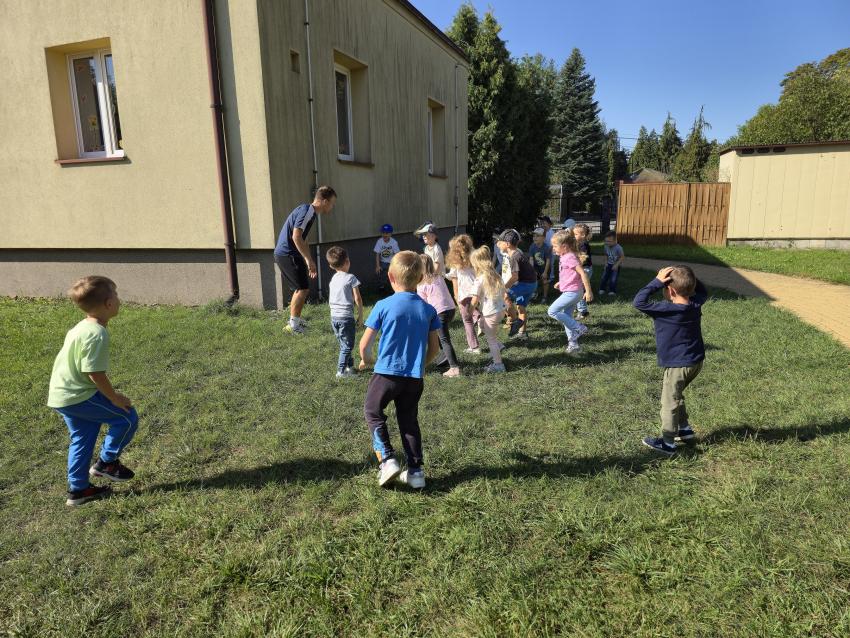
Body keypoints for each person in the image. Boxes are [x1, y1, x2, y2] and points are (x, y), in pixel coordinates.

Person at [47, 276, 139, 506]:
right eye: (116, 295)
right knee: (127, 418)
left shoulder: (82, 326)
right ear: (109, 303)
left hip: (61, 395)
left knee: (82, 438)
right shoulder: (96, 333)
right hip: (78, 396)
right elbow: (94, 373)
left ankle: (78, 491)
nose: (119, 299)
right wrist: (114, 398)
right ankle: (107, 463)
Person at [359, 251, 441, 489]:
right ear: (420, 279)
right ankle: (416, 472)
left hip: (386, 374)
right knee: (408, 420)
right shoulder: (428, 310)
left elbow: (364, 345)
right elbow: (435, 348)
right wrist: (420, 365)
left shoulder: (383, 305)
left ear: (390, 276)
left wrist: (368, 360)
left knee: (372, 411)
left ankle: (387, 460)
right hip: (414, 378)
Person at [634, 266, 708, 456]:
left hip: (678, 365)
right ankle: (684, 429)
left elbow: (639, 301)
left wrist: (656, 282)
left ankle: (667, 443)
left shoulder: (666, 309)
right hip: (696, 362)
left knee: (669, 400)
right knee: (677, 394)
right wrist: (689, 278)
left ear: (670, 290)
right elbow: (703, 291)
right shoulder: (695, 304)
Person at [274, 185, 337, 334]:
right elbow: (296, 236)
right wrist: (309, 260)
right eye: (332, 203)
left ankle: (295, 321)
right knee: (302, 289)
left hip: (290, 253)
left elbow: (303, 239)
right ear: (324, 201)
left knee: (301, 288)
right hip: (288, 253)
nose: (332, 207)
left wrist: (308, 258)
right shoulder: (307, 211)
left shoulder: (309, 212)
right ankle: (293, 326)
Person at [546, 232, 593, 354]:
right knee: (567, 317)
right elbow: (570, 274)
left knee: (552, 311)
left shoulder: (569, 257)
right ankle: (573, 344)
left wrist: (588, 291)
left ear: (564, 246)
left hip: (573, 292)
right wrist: (561, 282)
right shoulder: (565, 256)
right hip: (572, 291)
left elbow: (583, 273)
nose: (553, 248)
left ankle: (579, 327)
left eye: (555, 246)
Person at [417, 255, 462, 377]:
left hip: (439, 313)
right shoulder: (439, 277)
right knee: (437, 334)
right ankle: (446, 356)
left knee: (444, 339)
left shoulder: (421, 284)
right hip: (451, 309)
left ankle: (454, 368)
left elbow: (423, 305)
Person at [326, 246, 363, 378]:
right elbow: (358, 299)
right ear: (347, 261)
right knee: (347, 346)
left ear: (331, 266)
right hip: (346, 318)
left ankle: (350, 367)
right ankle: (341, 372)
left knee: (343, 344)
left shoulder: (333, 278)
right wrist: (360, 316)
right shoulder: (351, 278)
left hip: (334, 317)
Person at [470, 246, 507, 373]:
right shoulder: (496, 275)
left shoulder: (479, 279)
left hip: (490, 313)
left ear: (477, 264)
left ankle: (498, 365)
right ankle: (499, 346)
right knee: (482, 324)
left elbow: (474, 300)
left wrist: (469, 312)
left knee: (491, 339)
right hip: (500, 310)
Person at [496, 229, 537, 340]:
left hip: (526, 284)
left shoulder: (514, 256)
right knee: (520, 307)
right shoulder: (516, 253)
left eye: (500, 242)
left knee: (504, 296)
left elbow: (515, 277)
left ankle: (515, 322)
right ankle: (522, 333)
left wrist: (504, 287)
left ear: (507, 244)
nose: (498, 244)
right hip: (531, 283)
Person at [445, 234, 480, 354]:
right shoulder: (474, 257)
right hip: (477, 290)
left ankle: (474, 347)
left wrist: (456, 297)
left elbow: (454, 282)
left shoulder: (455, 263)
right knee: (478, 312)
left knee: (467, 319)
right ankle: (497, 343)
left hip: (464, 293)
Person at [573, 223, 593, 318]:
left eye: (576, 234)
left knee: (579, 289)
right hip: (582, 268)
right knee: (576, 288)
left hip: (585, 269)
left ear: (583, 235)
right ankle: (577, 307)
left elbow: (583, 258)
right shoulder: (579, 243)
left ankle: (583, 311)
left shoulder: (584, 245)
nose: (574, 236)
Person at [528, 227, 552, 304]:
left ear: (543, 238)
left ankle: (545, 297)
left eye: (538, 236)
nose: (535, 238)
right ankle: (534, 293)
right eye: (534, 236)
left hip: (545, 267)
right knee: (534, 280)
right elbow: (531, 259)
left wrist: (545, 272)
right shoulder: (532, 246)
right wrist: (532, 270)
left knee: (545, 281)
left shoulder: (546, 248)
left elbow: (548, 261)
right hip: (536, 267)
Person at [373, 224, 400, 291]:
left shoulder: (394, 242)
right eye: (383, 233)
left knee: (392, 275)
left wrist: (396, 264)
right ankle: (382, 288)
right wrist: (378, 266)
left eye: (387, 233)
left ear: (390, 234)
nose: (385, 235)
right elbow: (377, 254)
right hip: (383, 262)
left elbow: (397, 254)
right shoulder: (379, 241)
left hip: (392, 262)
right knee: (382, 275)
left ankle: (392, 288)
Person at [599, 230, 625, 296]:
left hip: (615, 266)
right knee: (604, 277)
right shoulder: (606, 246)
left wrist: (616, 265)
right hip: (608, 264)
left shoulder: (619, 248)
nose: (607, 243)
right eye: (606, 241)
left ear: (615, 241)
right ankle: (602, 289)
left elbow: (622, 257)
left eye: (609, 241)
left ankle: (612, 291)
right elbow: (606, 255)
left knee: (613, 279)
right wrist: (605, 262)